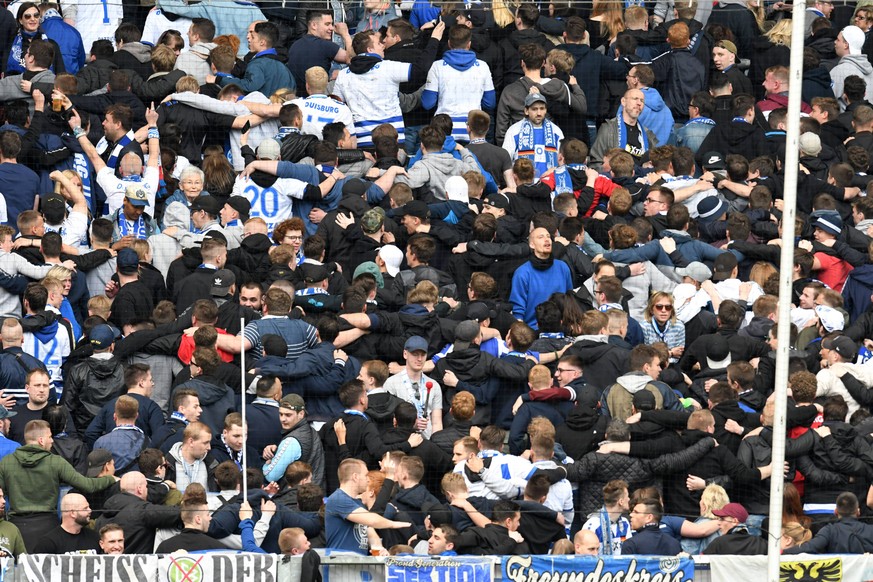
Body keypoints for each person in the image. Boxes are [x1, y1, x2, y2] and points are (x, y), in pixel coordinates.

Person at [0, 420, 116, 551]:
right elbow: (87, 485)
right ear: (41, 440)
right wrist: (111, 479)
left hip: (17, 526)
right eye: (50, 437)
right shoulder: (55, 462)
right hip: (48, 526)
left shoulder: (7, 462)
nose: (52, 441)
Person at [325, 458, 412, 554]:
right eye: (366, 475)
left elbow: (370, 531)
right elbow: (373, 520)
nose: (368, 479)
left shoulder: (358, 503)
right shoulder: (338, 499)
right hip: (340, 566)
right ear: (355, 477)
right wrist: (393, 524)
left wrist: (379, 550)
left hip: (358, 565)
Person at [155, 484, 227, 552]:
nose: (210, 518)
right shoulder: (218, 549)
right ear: (198, 519)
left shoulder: (164, 547)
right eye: (207, 515)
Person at [32, 493, 100, 554]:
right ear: (73, 513)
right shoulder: (48, 543)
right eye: (85, 508)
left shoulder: (94, 537)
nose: (90, 510)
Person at [703, 502, 769, 555]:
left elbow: (699, 566)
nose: (719, 523)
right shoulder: (761, 544)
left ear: (734, 521)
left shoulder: (719, 543)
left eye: (722, 519)